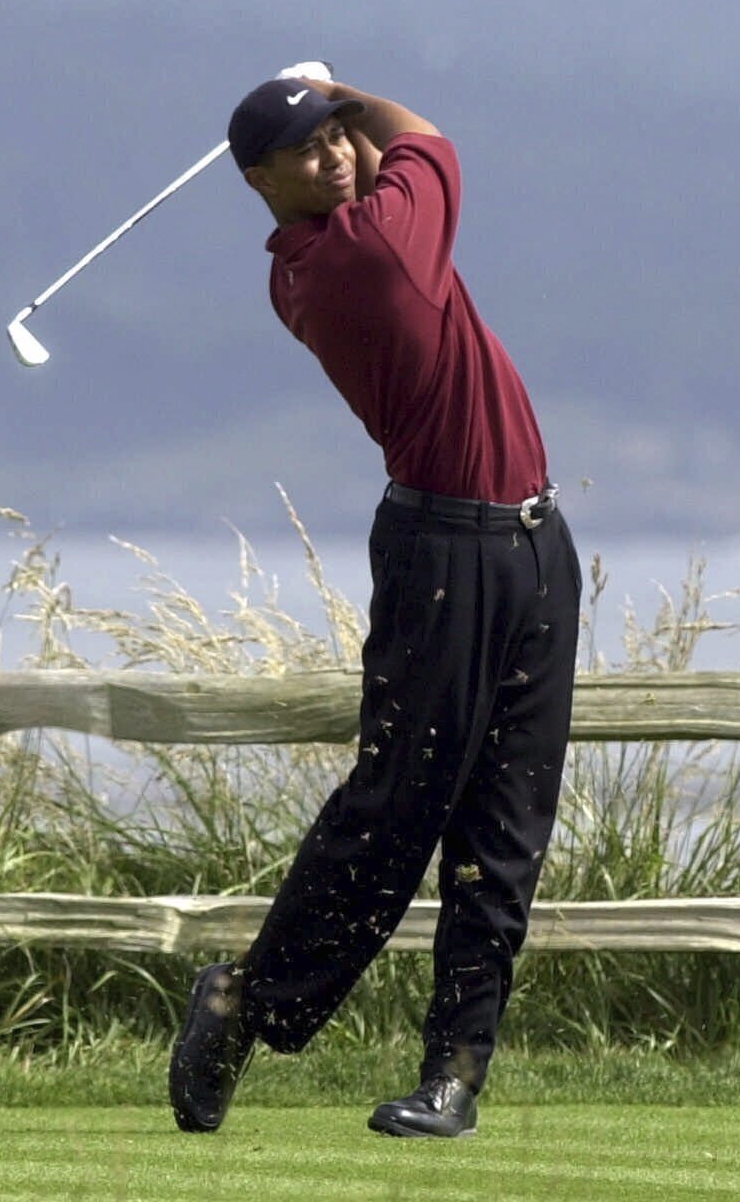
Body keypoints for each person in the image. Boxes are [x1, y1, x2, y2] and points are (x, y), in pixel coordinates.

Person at [168, 67, 582, 1139]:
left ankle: (454, 1073)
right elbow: (430, 140)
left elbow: (397, 153)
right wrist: (347, 85)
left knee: (507, 823)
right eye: (307, 151)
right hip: (445, 550)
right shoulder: (367, 252)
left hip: (535, 542)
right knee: (396, 808)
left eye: (341, 137)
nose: (338, 155)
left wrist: (332, 107)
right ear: (260, 181)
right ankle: (243, 1002)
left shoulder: (317, 253)